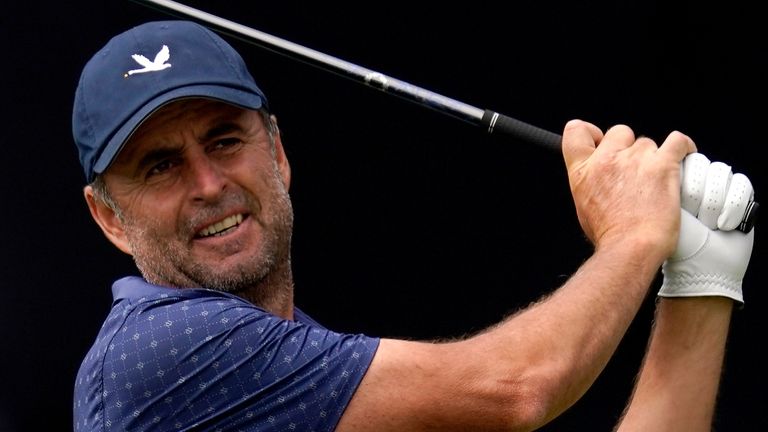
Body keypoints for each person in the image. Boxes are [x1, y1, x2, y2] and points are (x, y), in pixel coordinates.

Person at [70, 20, 755, 432]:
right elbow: (518, 388)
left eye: (224, 141)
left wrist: (701, 280)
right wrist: (635, 233)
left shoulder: (308, 373)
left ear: (275, 151)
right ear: (109, 218)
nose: (210, 184)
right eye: (160, 166)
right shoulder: (156, 353)